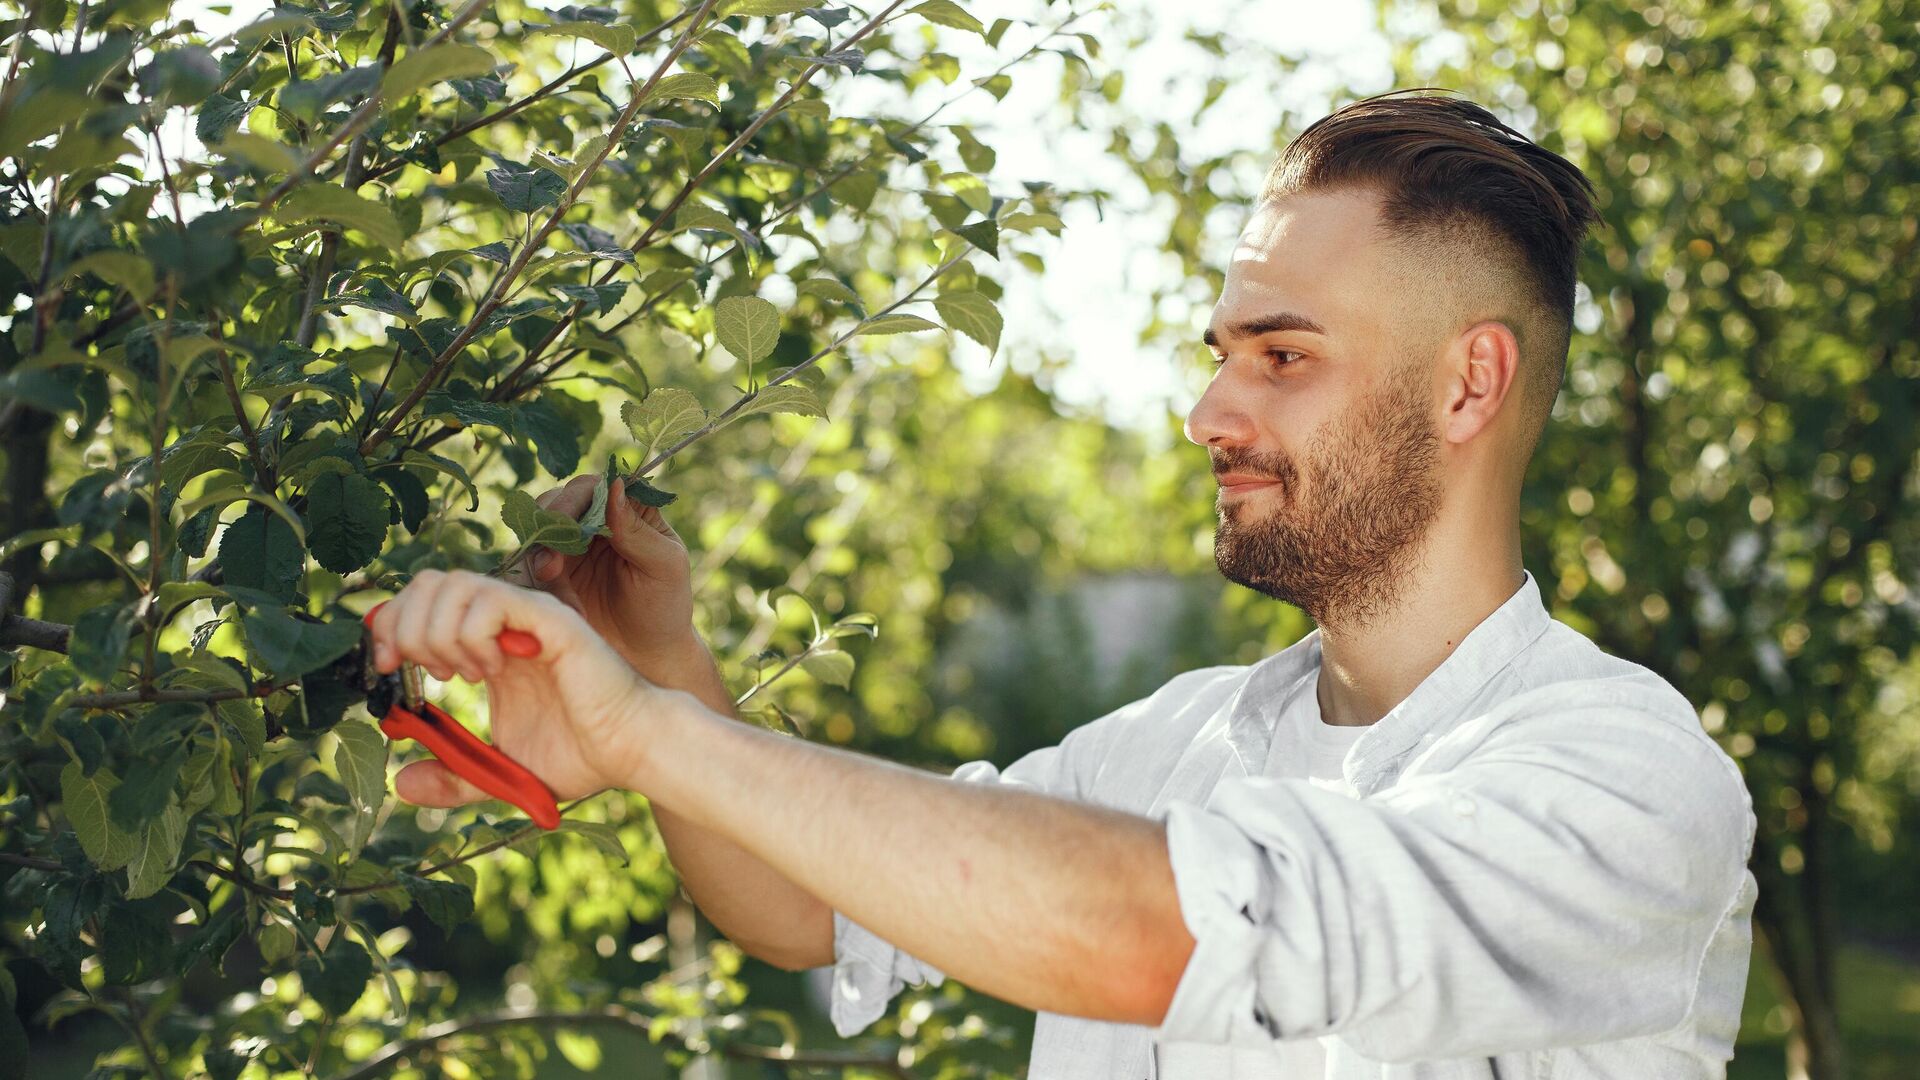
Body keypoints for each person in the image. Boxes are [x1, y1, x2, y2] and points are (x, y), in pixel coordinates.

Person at [364, 90, 1758, 1078]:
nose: (1210, 409)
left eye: (1282, 356)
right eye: (1219, 351)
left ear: (1468, 381)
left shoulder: (1626, 779)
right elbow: (821, 909)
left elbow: (1167, 931)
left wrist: (644, 731)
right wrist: (659, 672)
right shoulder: (1176, 741)